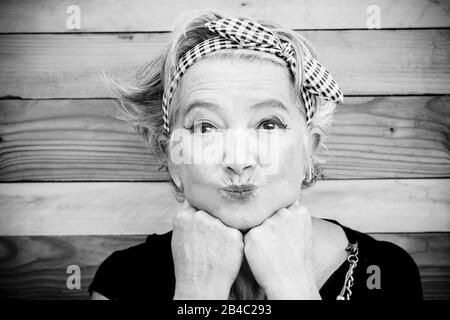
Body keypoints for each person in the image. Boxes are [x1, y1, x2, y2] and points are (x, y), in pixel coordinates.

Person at [89, 10, 423, 300]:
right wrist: (196, 294)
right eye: (206, 128)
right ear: (172, 157)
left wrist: (293, 290)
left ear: (310, 149)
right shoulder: (122, 281)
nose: (239, 160)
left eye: (268, 124)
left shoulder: (383, 273)